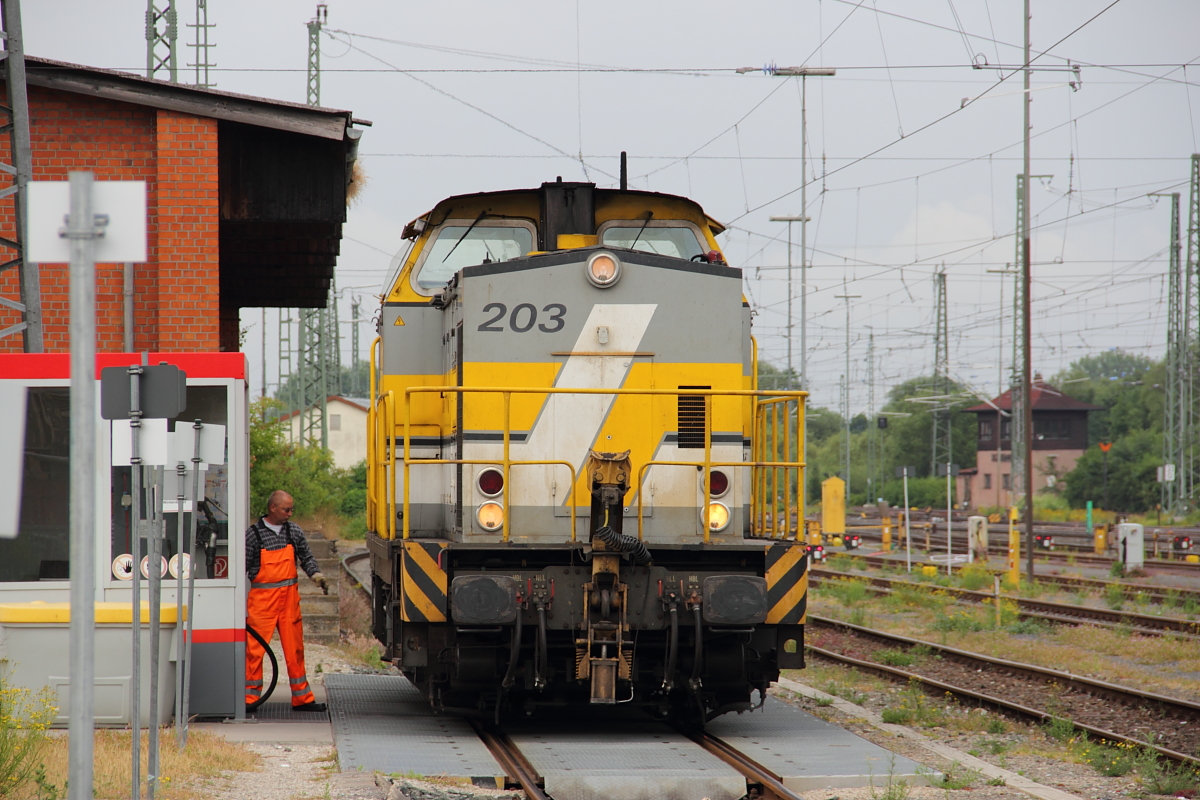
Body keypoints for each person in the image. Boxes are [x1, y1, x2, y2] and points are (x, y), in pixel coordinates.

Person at [245, 490, 330, 712]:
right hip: (262, 603)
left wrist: (316, 575)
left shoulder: (294, 531)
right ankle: (249, 699)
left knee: (295, 650)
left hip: (289, 602)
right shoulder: (253, 535)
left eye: (292, 509)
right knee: (254, 651)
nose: (290, 514)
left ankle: (302, 699)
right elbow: (241, 567)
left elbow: (306, 557)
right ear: (273, 508)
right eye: (286, 509)